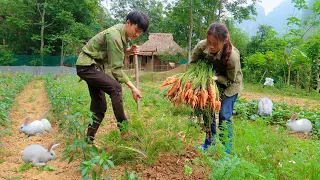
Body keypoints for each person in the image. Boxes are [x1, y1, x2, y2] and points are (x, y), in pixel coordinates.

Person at [76, 12, 149, 142]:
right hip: (87, 66)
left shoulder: (123, 34)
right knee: (116, 87)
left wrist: (129, 51)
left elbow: (117, 52)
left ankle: (88, 141)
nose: (137, 34)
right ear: (128, 23)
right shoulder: (114, 35)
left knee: (100, 106)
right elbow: (116, 68)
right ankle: (125, 131)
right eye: (136, 30)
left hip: (93, 67)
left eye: (140, 33)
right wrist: (133, 88)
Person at [190, 22, 244, 154]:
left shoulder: (232, 57)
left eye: (215, 43)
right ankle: (209, 144)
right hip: (210, 81)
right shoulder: (202, 46)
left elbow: (230, 79)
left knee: (224, 115)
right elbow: (193, 63)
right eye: (209, 42)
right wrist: (195, 79)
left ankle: (226, 150)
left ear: (224, 41)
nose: (211, 46)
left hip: (230, 84)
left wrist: (216, 78)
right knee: (208, 112)